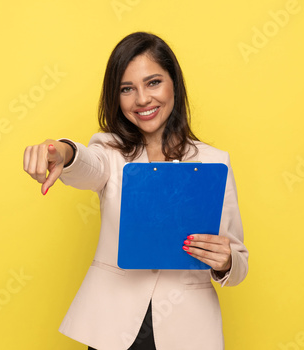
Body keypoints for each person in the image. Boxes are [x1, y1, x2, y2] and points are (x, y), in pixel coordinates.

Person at [23, 32, 248, 350]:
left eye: (153, 82)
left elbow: (238, 261)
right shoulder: (109, 152)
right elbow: (88, 165)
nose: (142, 99)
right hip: (114, 330)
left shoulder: (214, 162)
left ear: (174, 84)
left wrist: (225, 262)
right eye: (127, 89)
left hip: (188, 330)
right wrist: (63, 152)